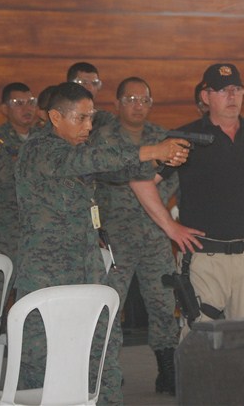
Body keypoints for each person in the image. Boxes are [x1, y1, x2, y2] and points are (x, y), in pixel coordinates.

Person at [14, 82, 189, 404]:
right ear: (55, 117)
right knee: (42, 353)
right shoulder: (39, 149)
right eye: (81, 118)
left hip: (86, 264)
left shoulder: (78, 150)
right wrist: (152, 151)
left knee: (102, 341)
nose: (89, 126)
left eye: (91, 118)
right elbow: (87, 160)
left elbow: (114, 169)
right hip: (46, 272)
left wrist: (160, 160)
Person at [130, 63, 244, 329]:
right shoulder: (188, 138)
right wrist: (170, 227)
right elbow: (140, 180)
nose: (231, 96)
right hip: (205, 258)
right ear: (206, 97)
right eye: (222, 90)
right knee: (201, 339)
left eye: (236, 89)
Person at [92, 77, 181, 394]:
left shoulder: (163, 138)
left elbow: (173, 178)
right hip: (115, 238)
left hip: (154, 235)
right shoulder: (103, 138)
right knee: (110, 306)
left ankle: (167, 369)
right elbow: (96, 180)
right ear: (116, 104)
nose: (137, 105)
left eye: (144, 100)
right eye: (130, 99)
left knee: (163, 303)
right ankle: (109, 371)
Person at [0, 82, 35, 270]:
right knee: (3, 282)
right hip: (7, 230)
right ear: (4, 109)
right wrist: (33, 164)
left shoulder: (42, 137)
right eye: (19, 103)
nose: (27, 108)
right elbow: (1, 175)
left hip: (39, 229)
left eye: (30, 102)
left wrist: (18, 161)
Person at [67, 62, 115, 129]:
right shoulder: (60, 115)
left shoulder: (105, 119)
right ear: (70, 85)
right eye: (84, 83)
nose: (90, 88)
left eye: (94, 83)